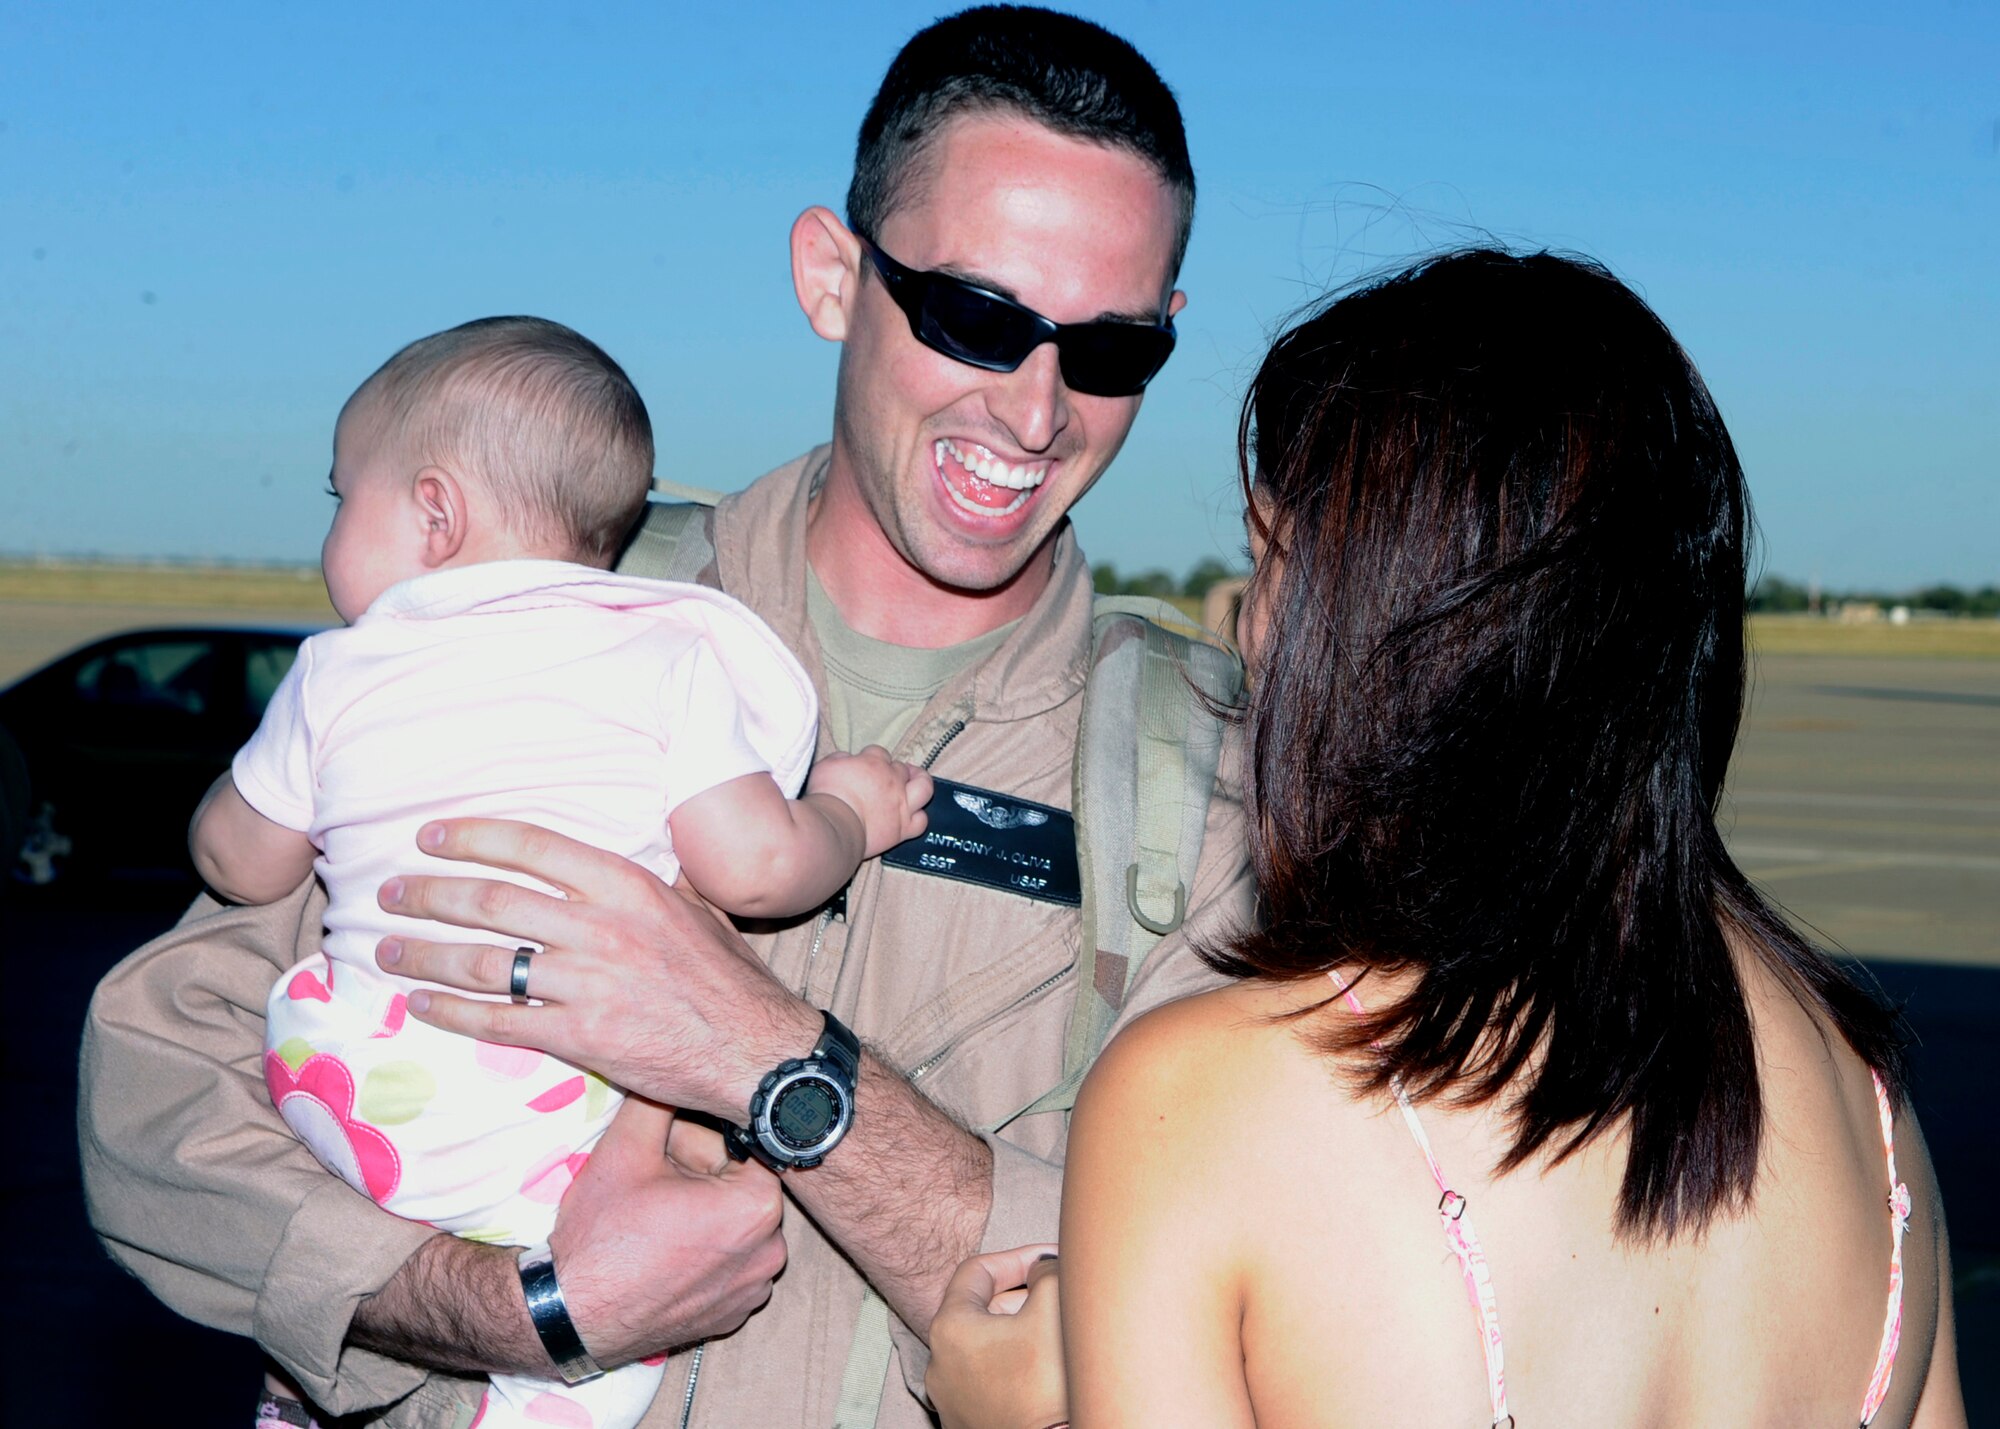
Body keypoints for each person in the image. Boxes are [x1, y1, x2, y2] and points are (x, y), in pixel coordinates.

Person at [78, 9, 1254, 1428]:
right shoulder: (526, 609)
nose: (1035, 407)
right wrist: (515, 1309)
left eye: (1111, 349)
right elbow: (158, 1089)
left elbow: (1198, 1314)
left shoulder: (1214, 780)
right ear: (832, 276)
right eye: (975, 317)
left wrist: (768, 1057)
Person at [926, 250, 1967, 1427]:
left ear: (1382, 612)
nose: (1249, 622)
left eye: (1268, 559)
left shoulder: (1204, 1096)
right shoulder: (1866, 1102)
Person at [187, 316, 929, 1429]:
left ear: (434, 514)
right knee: (621, 1303)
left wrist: (231, 809)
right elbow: (760, 866)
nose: (331, 533)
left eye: (341, 497)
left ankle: (308, 1388)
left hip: (340, 1074)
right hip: (535, 1098)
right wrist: (849, 812)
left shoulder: (338, 672)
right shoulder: (668, 656)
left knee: (338, 1124)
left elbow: (239, 866)